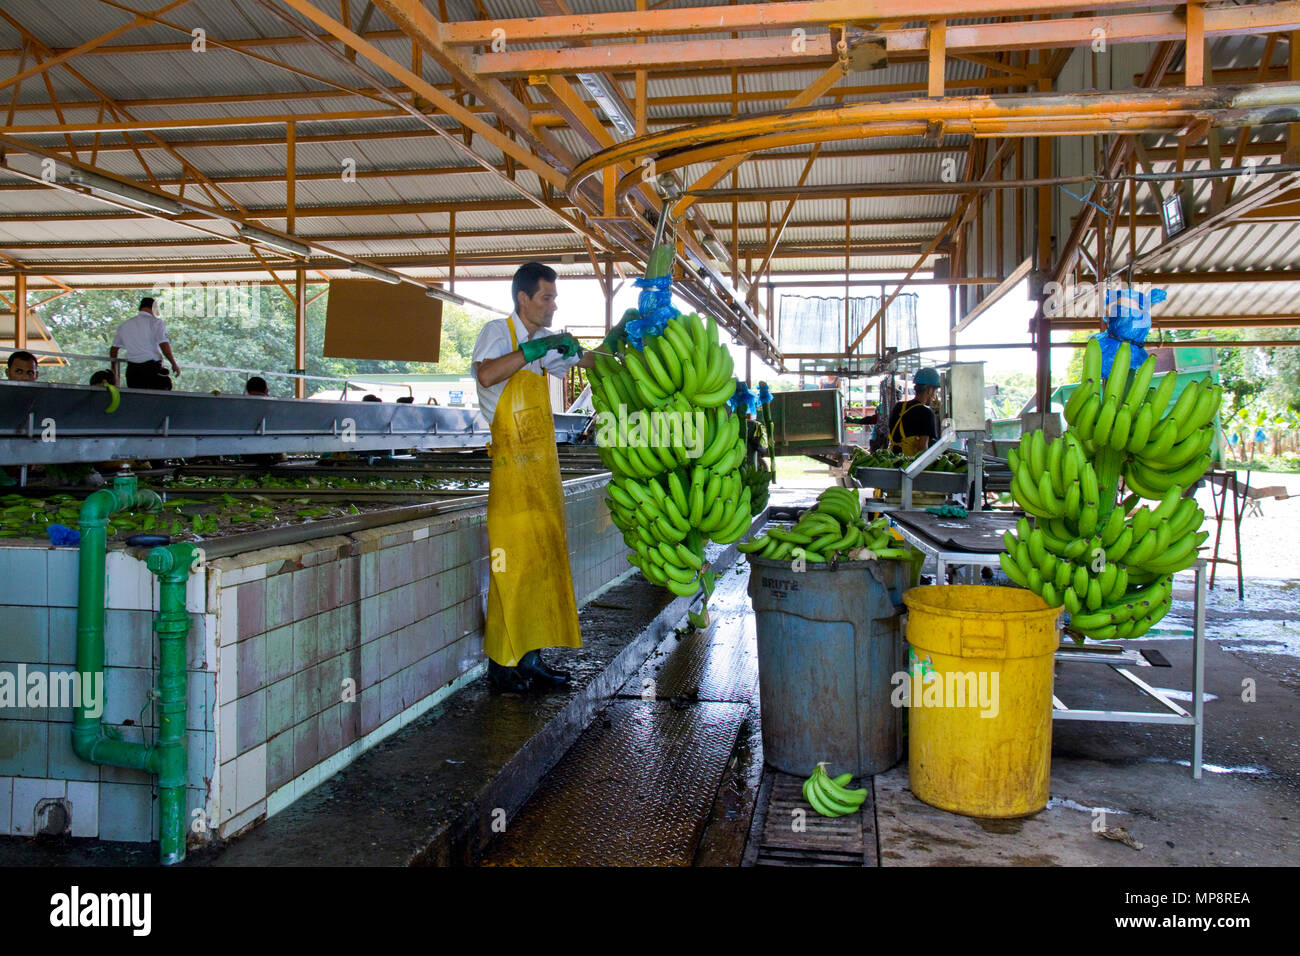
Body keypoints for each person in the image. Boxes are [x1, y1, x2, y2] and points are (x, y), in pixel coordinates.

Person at [471, 261, 618, 693]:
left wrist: (619, 349)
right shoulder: (499, 333)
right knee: (510, 568)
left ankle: (532, 661)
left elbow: (591, 361)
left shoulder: (547, 343)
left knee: (541, 566)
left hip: (542, 472)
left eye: (555, 298)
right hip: (511, 476)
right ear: (523, 299)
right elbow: (485, 374)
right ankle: (502, 664)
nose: (553, 306)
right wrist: (530, 353)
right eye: (546, 298)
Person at [110, 297, 179, 390]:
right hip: (151, 369)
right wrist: (173, 363)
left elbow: (114, 349)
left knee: (137, 400)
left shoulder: (125, 325)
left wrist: (114, 369)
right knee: (160, 396)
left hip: (132, 371)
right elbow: (164, 344)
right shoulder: (156, 323)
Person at [887, 368, 942, 455]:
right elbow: (922, 447)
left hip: (892, 458)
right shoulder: (926, 413)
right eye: (935, 391)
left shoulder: (899, 406)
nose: (934, 396)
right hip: (909, 463)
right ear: (930, 390)